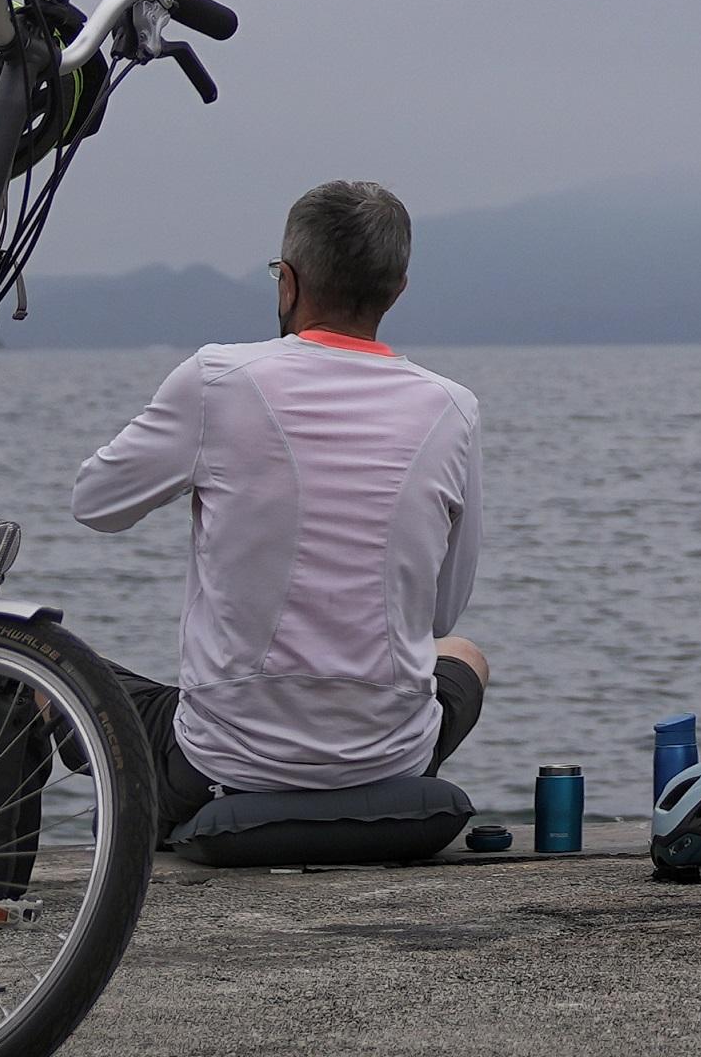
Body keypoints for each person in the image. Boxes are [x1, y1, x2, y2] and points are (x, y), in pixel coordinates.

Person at [70, 177, 488, 839]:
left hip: (220, 764)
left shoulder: (217, 380)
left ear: (287, 282)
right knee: (464, 653)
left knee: (45, 669)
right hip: (392, 760)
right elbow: (439, 615)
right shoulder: (453, 408)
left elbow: (96, 503)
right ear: (397, 290)